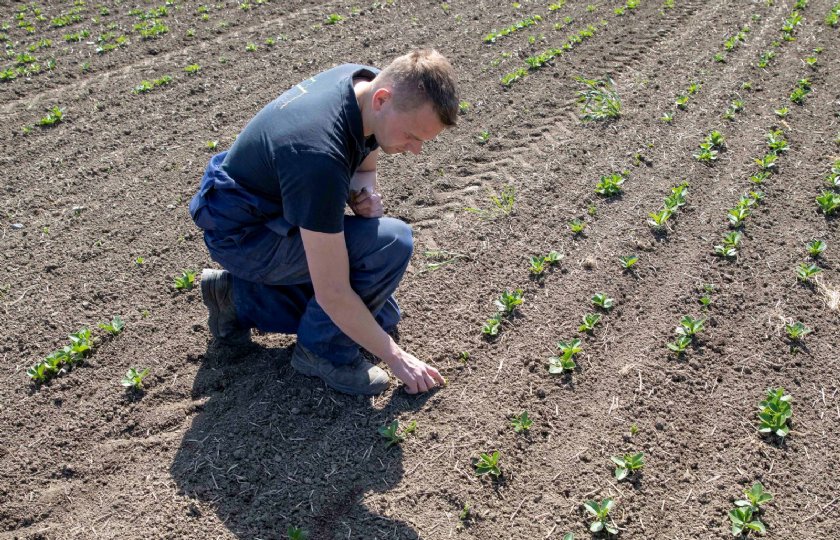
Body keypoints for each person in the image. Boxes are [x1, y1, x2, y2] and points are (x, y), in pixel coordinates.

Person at [189, 50, 458, 396]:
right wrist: (396, 358)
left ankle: (236, 298)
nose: (416, 150)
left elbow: (365, 164)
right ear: (382, 100)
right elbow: (332, 292)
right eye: (412, 136)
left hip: (273, 209)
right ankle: (322, 351)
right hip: (243, 234)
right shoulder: (318, 155)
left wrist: (364, 193)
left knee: (379, 316)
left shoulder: (367, 87)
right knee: (389, 246)